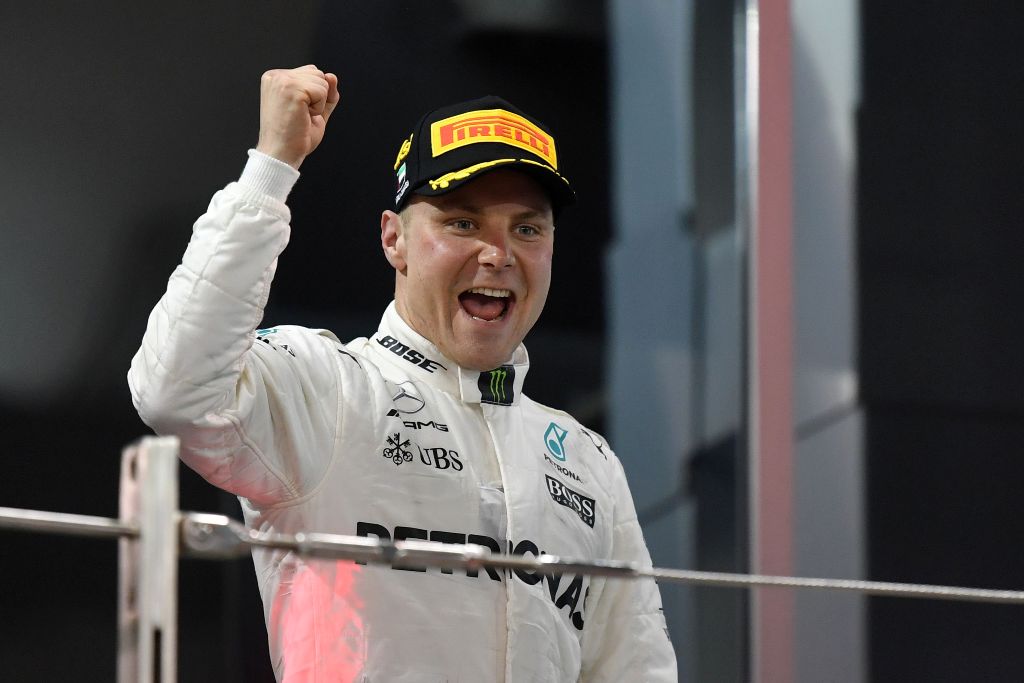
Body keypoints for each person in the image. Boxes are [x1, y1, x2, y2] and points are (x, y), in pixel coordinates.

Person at [129, 65, 677, 682]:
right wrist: (270, 167)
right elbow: (176, 390)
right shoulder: (328, 389)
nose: (498, 254)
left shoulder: (587, 461)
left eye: (526, 229)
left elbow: (635, 670)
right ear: (395, 240)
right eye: (462, 223)